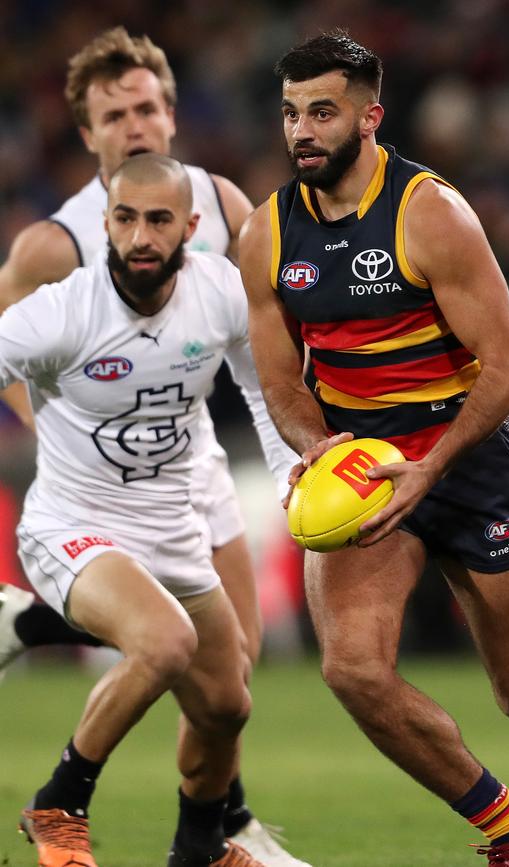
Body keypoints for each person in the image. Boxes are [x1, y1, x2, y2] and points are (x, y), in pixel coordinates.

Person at [239, 31, 509, 867]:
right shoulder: (266, 234)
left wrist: (431, 466)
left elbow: (508, 368)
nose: (302, 131)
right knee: (352, 669)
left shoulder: (431, 214)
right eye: (290, 113)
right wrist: (319, 448)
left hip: (461, 459)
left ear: (370, 116)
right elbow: (281, 382)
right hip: (364, 466)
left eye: (323, 111)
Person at [0, 27, 310, 867]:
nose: (134, 124)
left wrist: (293, 472)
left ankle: (205, 843)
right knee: (163, 642)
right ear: (89, 138)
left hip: (184, 477)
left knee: (228, 694)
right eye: (115, 113)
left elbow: (262, 369)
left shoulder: (220, 245)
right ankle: (61, 804)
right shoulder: (58, 266)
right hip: (83, 501)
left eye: (146, 107)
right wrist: (65, 432)